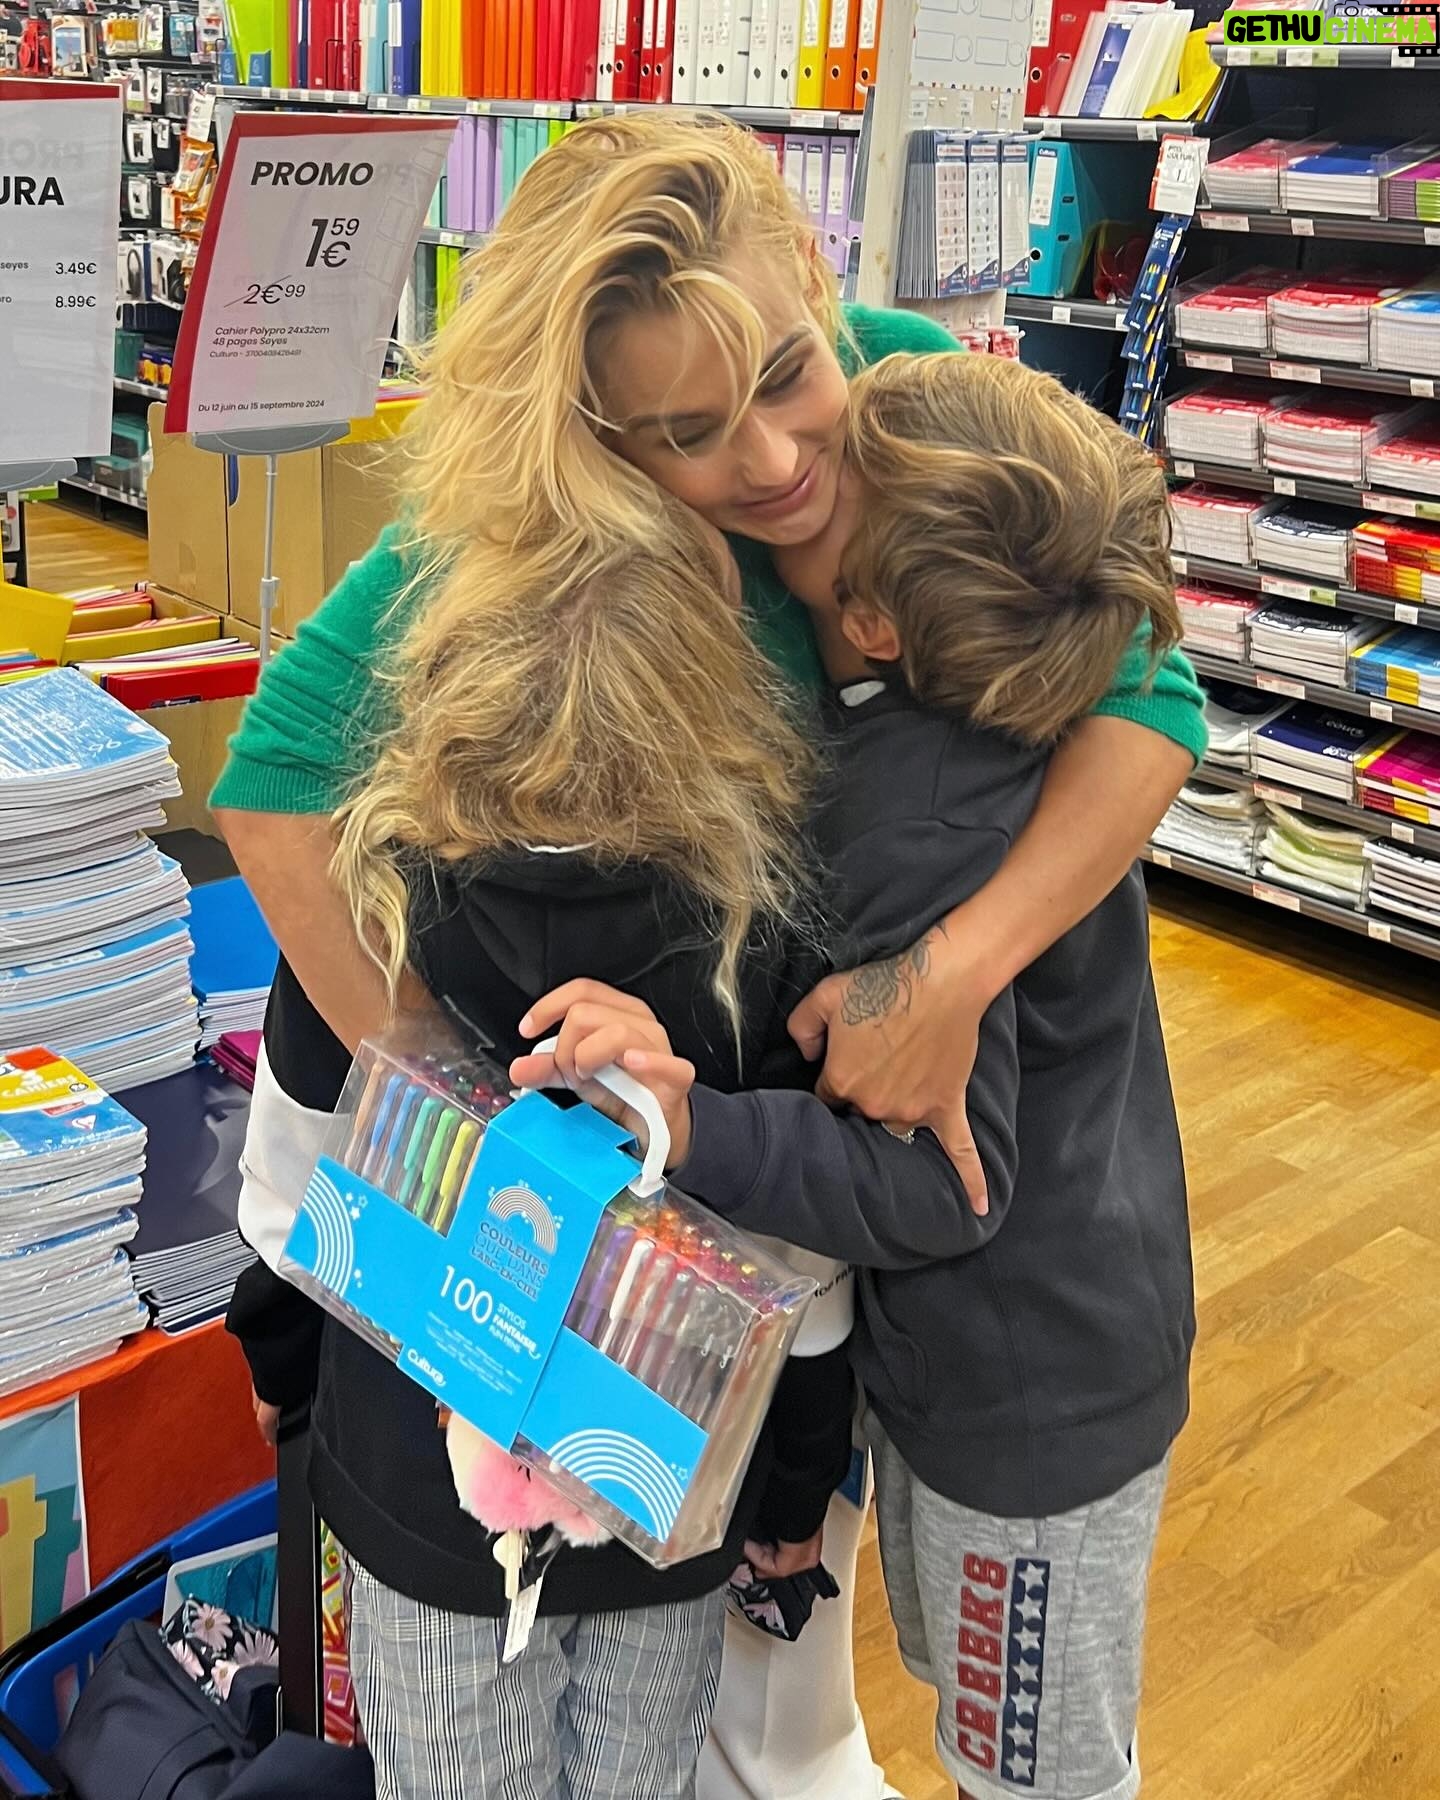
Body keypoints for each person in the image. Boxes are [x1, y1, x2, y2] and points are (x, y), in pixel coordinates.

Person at [216, 112, 1204, 1800]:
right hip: (720, 1190)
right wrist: (457, 1115)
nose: (774, 461)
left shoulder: (909, 412)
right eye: (688, 432)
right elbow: (273, 789)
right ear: (601, 430)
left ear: (816, 283)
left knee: (850, 1661)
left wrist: (953, 974)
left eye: (785, 374)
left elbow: (1149, 689)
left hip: (911, 1231)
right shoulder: (539, 499)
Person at [515, 351, 1195, 1800]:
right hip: (1036, 1356)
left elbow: (936, 1185)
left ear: (878, 617)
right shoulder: (974, 729)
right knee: (989, 1727)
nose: (791, 470)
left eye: (844, 486)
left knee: (1032, 1769)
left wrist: (695, 1127)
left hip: (1025, 1410)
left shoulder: (923, 824)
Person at [231, 507, 856, 1800]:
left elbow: (294, 1199)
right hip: (664, 1479)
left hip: (418, 1494)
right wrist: (795, 1489)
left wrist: (286, 1377)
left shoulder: (365, 924)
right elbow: (800, 1269)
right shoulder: (753, 945)